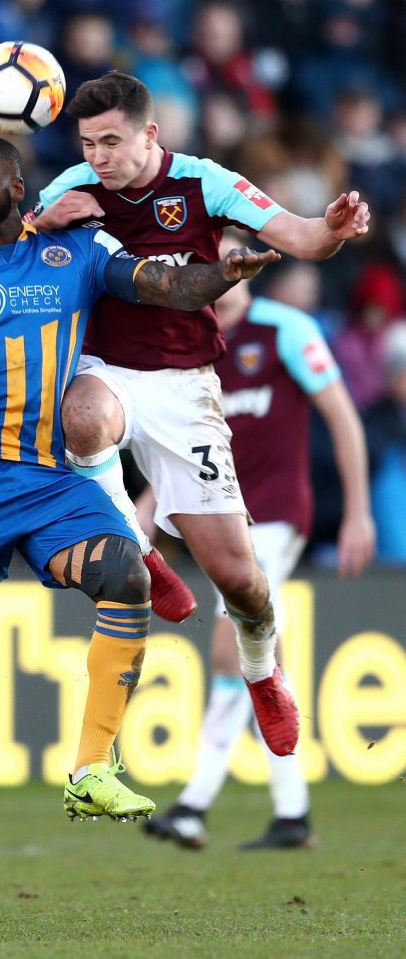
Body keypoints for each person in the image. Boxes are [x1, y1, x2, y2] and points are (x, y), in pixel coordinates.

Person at [0, 133, 280, 934]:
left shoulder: (72, 250)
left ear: (16, 186)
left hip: (50, 481)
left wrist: (225, 272)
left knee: (128, 577)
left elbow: (161, 285)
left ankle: (89, 766)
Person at [31, 70, 370, 764]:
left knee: (242, 581)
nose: (97, 156)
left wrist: (333, 230)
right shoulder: (71, 188)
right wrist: (37, 223)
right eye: (88, 143)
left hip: (185, 388)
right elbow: (1, 258)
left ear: (150, 135)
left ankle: (261, 670)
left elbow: (301, 238)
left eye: (111, 142)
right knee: (81, 416)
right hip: (105, 368)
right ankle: (144, 552)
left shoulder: (203, 181)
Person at [144, 232, 375, 851]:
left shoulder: (284, 330)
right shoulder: (189, 341)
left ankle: (193, 804)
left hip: (274, 516)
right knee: (264, 661)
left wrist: (357, 511)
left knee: (230, 649)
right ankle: (293, 812)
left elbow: (343, 418)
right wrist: (145, 510)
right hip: (222, 516)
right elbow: (176, 443)